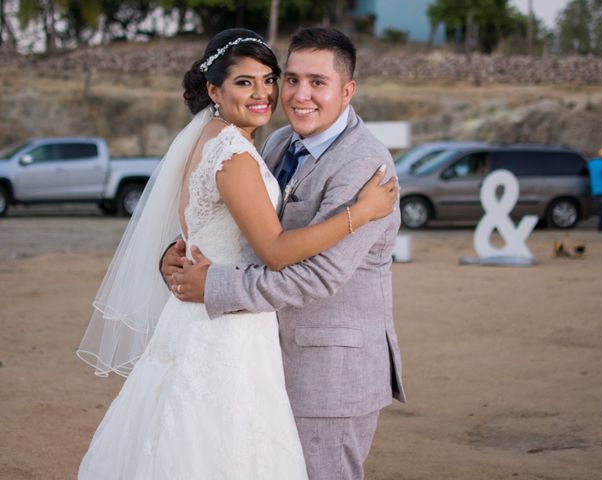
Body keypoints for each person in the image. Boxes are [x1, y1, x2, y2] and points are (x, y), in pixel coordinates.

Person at [76, 28, 398, 479]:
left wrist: (212, 283)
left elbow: (316, 277)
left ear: (347, 91)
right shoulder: (274, 141)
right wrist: (181, 251)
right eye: (291, 79)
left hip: (327, 369)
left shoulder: (364, 165)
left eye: (317, 83)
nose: (295, 94)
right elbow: (239, 225)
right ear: (215, 89)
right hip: (249, 350)